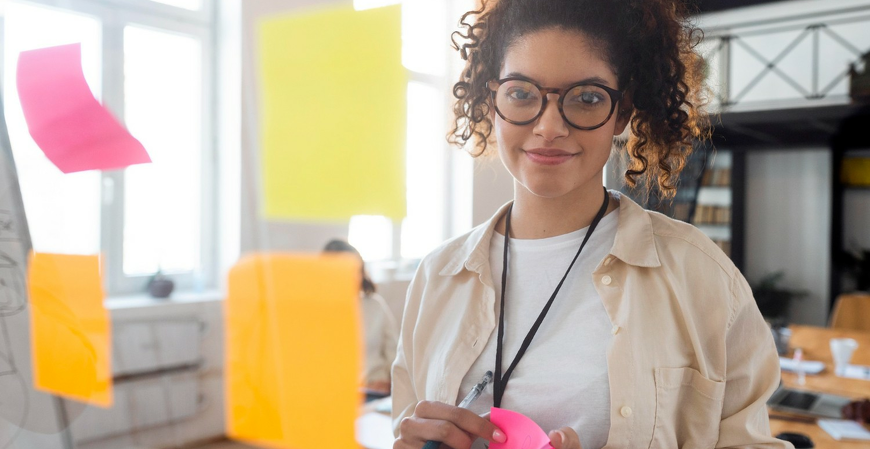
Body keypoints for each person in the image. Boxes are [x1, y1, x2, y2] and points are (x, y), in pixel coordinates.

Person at [391, 1, 790, 449]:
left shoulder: (700, 276)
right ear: (493, 100)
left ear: (621, 113)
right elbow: (407, 419)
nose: (548, 126)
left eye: (586, 98)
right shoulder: (437, 277)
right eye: (521, 93)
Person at [323, 239, 399, 400]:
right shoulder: (318, 311)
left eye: (356, 270)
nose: (352, 276)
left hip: (375, 392)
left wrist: (390, 382)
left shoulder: (375, 305)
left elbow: (396, 354)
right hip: (337, 396)